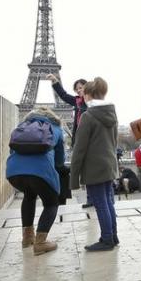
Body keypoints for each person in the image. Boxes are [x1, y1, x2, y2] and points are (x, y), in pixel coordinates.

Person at [6, 107, 65, 255]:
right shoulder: (55, 128)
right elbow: (60, 160)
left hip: (14, 172)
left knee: (29, 195)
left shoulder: (22, 127)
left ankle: (27, 238)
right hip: (40, 172)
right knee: (51, 203)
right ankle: (40, 242)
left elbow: (12, 150)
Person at [70, 77, 120, 251]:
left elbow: (79, 149)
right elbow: (114, 142)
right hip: (108, 165)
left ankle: (106, 239)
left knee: (100, 203)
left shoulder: (88, 116)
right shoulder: (112, 113)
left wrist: (74, 178)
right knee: (108, 202)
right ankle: (112, 236)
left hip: (94, 168)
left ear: (89, 95)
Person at [47, 73, 91, 208]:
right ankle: (90, 198)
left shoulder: (92, 103)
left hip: (89, 141)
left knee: (90, 170)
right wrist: (55, 82)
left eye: (81, 87)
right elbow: (64, 95)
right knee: (86, 170)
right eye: (77, 88)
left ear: (88, 88)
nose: (78, 90)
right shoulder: (77, 102)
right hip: (80, 140)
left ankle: (93, 198)